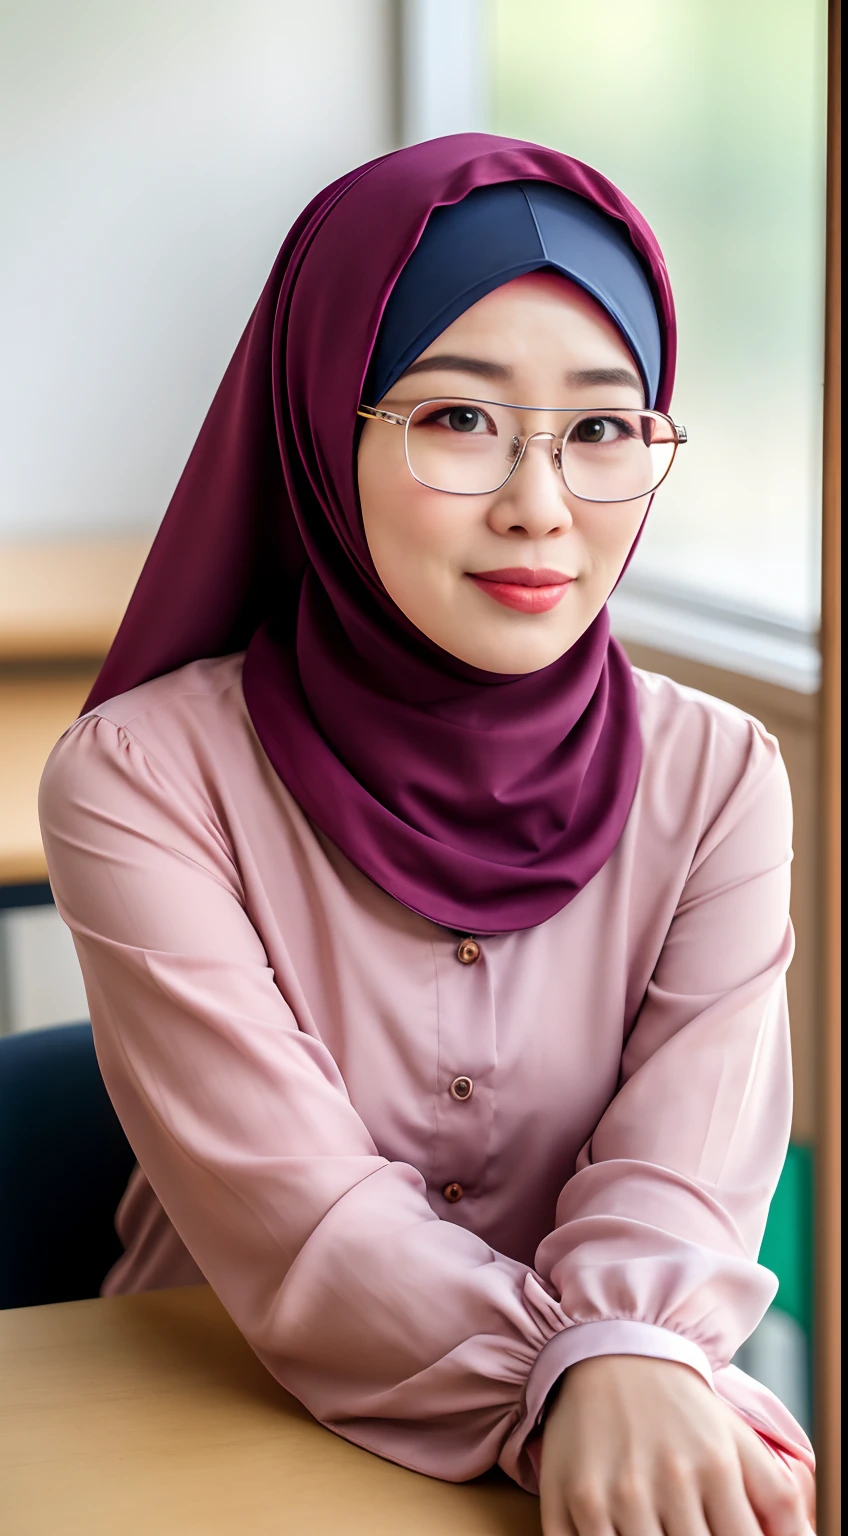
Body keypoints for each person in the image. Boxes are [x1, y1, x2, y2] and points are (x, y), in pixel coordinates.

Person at [39, 134, 816, 1534]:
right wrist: (577, 1376)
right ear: (322, 423)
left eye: (601, 428)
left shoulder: (720, 778)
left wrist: (624, 1359)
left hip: (608, 1451)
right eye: (459, 420)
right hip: (203, 1426)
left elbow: (683, 1184)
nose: (540, 507)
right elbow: (308, 1218)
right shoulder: (143, 780)